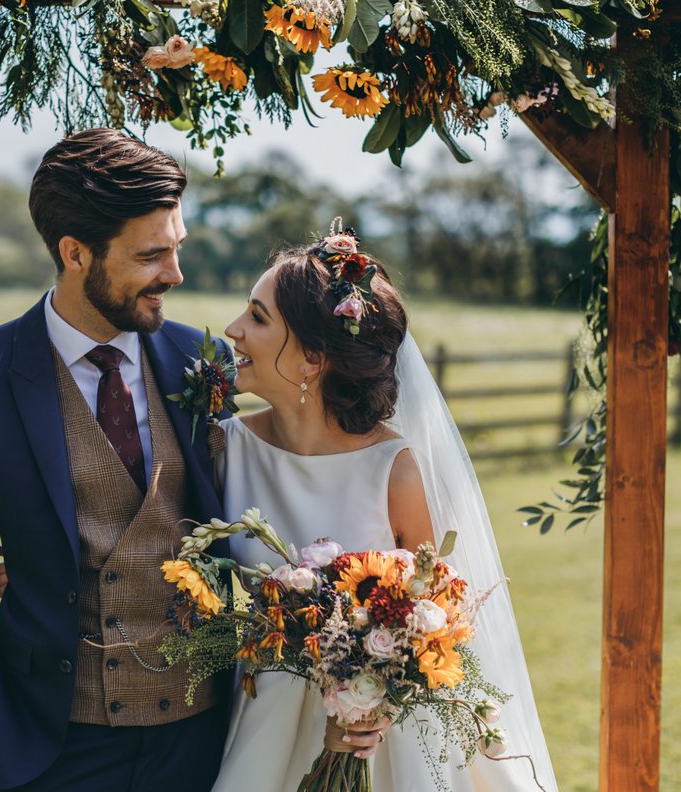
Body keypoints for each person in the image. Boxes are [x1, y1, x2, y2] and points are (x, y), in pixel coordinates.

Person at [0, 130, 384, 792]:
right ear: (75, 253)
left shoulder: (207, 362)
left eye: (177, 247)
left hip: (206, 739)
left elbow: (309, 464)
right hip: (51, 746)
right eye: (151, 254)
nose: (175, 273)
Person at [208, 241, 559, 791]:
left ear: (313, 359)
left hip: (379, 743)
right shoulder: (224, 450)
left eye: (257, 317)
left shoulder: (391, 470)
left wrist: (378, 702)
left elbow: (439, 620)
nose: (232, 329)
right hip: (262, 723)